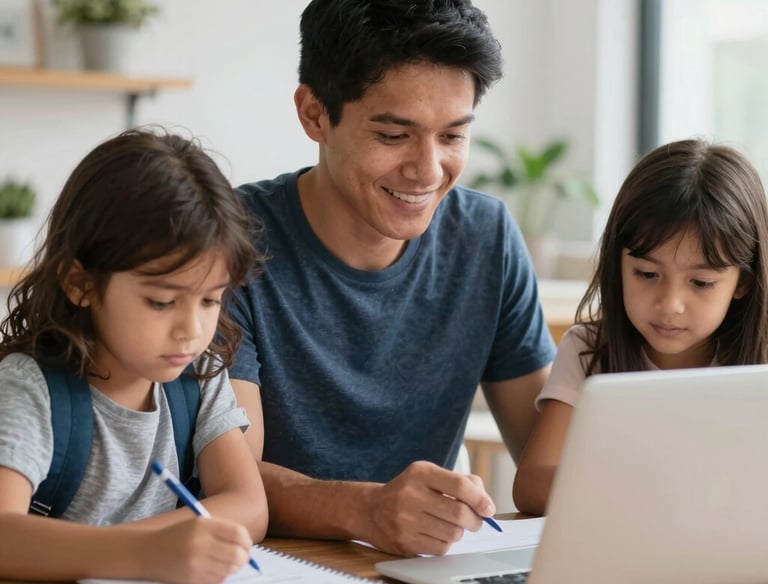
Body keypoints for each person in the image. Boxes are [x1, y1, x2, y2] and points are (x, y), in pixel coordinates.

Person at [228, 0, 556, 557]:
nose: (428, 170)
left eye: (452, 136)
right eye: (394, 135)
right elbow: (229, 478)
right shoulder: (228, 244)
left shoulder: (486, 236)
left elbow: (549, 461)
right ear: (314, 114)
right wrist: (367, 509)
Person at [0, 128, 269, 583]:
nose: (191, 331)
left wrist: (159, 550)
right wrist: (145, 551)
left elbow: (248, 506)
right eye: (162, 302)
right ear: (81, 284)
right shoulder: (30, 388)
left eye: (210, 301)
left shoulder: (198, 377)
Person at [512, 138, 768, 516]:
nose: (670, 304)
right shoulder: (589, 351)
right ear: (618, 264)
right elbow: (532, 484)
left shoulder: (760, 361)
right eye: (647, 274)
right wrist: (653, 493)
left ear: (742, 283)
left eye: (700, 283)